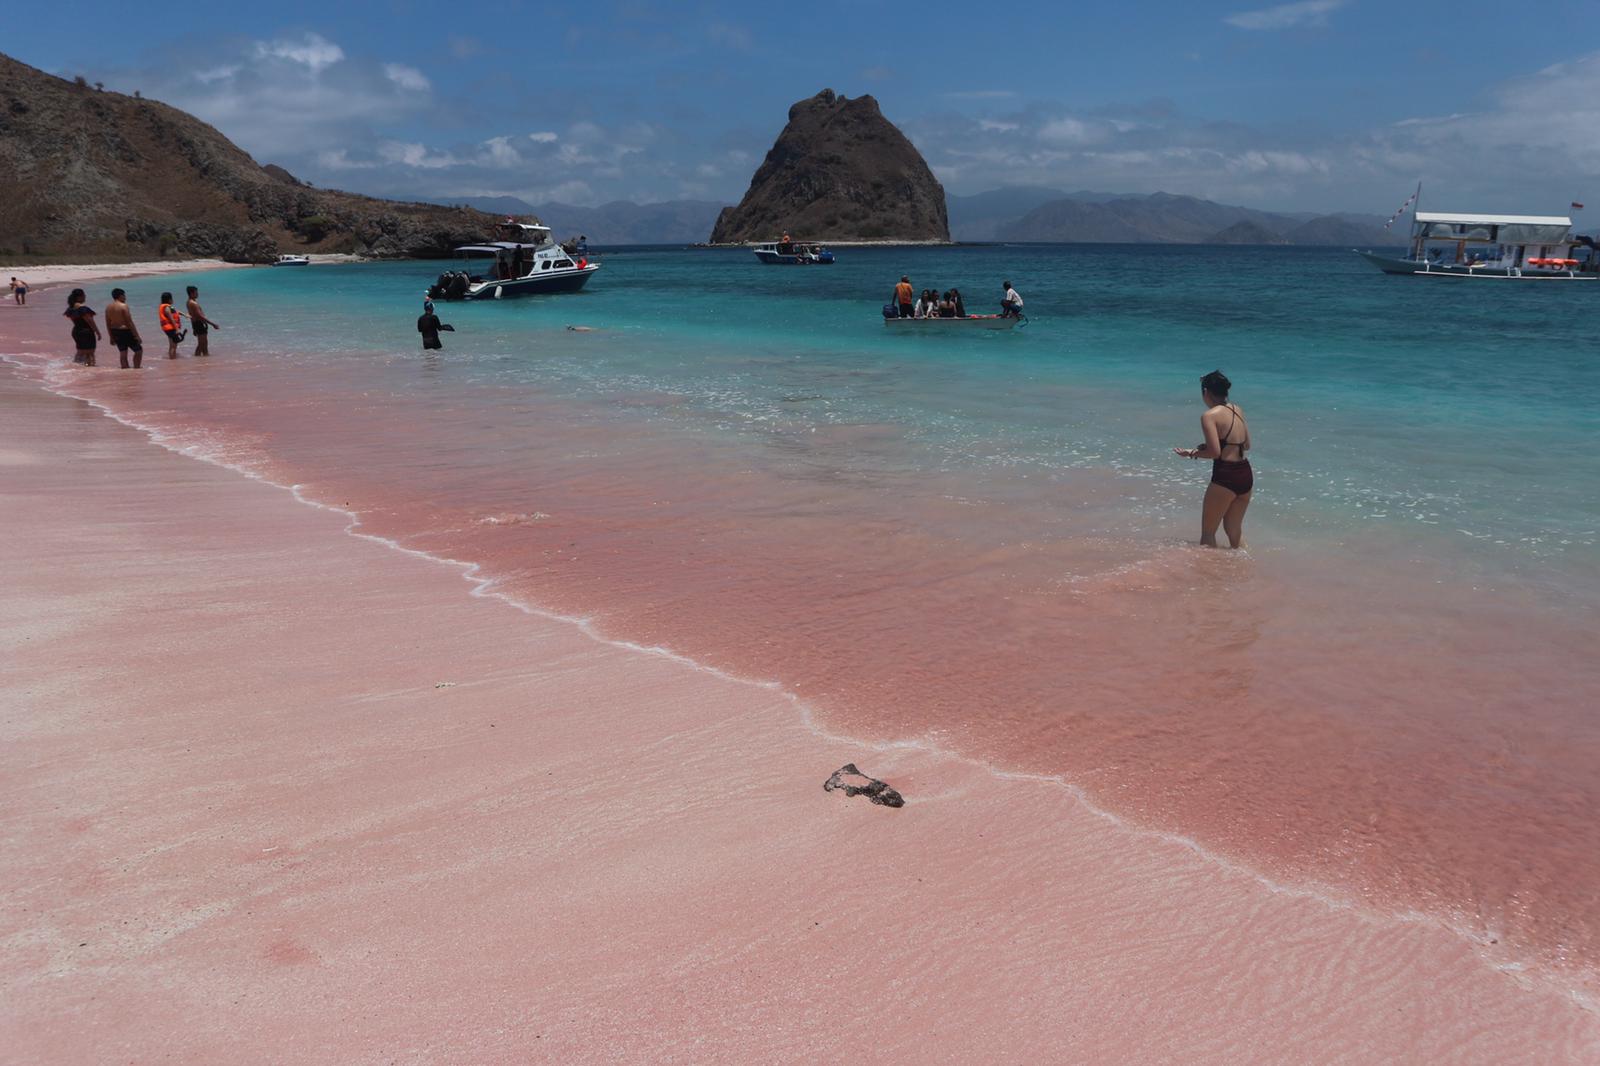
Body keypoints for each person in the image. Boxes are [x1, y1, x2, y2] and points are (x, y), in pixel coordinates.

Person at [1174, 369, 1252, 549]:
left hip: (1226, 477)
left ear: (1206, 393)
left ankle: (1207, 575)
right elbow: (1246, 445)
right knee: (1234, 530)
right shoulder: (1237, 409)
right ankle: (1246, 567)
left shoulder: (1209, 416)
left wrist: (1191, 452)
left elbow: (1215, 453)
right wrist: (1212, 446)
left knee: (1208, 532)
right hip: (1245, 475)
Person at [104, 288, 144, 368]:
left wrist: (111, 337)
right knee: (139, 351)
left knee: (123, 352)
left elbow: (108, 324)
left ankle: (125, 370)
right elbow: (129, 322)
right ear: (120, 296)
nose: (125, 297)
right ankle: (137, 368)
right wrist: (137, 336)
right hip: (125, 331)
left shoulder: (108, 308)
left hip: (115, 331)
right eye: (124, 295)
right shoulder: (124, 306)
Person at [64, 289, 100, 366]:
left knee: (80, 352)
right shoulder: (83, 308)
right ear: (79, 297)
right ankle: (90, 368)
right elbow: (90, 321)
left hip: (76, 331)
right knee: (90, 353)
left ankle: (76, 367)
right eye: (84, 295)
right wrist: (97, 332)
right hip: (86, 332)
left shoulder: (71, 308)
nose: (85, 297)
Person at [185, 285, 218, 356]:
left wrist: (193, 328)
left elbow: (192, 315)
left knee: (203, 343)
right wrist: (213, 324)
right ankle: (200, 358)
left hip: (196, 324)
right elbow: (200, 316)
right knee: (202, 344)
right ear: (191, 293)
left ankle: (203, 360)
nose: (197, 294)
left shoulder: (189, 302)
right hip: (199, 324)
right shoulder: (193, 303)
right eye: (196, 293)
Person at [158, 292, 186, 358]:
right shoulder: (167, 308)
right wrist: (177, 329)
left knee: (172, 345)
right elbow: (171, 319)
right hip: (171, 328)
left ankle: (172, 361)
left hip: (168, 328)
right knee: (173, 345)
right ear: (169, 299)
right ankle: (173, 360)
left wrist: (185, 315)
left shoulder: (167, 307)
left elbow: (176, 312)